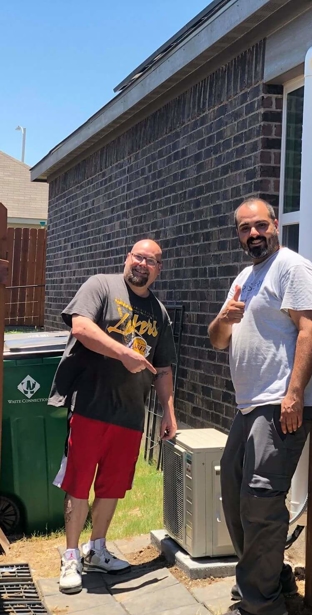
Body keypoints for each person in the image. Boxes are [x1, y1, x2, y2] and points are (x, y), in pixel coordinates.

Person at [208, 198, 312, 615]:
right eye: (244, 228)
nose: (253, 234)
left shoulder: (293, 268)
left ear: (276, 225)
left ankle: (261, 607)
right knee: (236, 496)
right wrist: (225, 317)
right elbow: (218, 340)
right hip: (248, 406)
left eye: (260, 225)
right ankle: (272, 579)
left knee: (259, 501)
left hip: (279, 404)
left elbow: (310, 329)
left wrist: (294, 395)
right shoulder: (245, 277)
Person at [49, 239, 177, 595]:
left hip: (131, 414)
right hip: (91, 406)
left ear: (158, 270)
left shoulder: (160, 313)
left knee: (112, 485)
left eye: (151, 261)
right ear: (127, 258)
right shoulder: (101, 286)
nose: (143, 264)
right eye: (138, 256)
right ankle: (71, 555)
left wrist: (168, 412)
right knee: (78, 481)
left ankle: (98, 549)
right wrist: (124, 354)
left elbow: (163, 367)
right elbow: (81, 328)